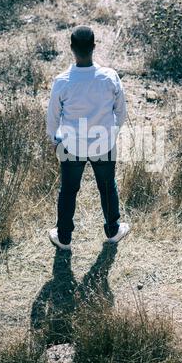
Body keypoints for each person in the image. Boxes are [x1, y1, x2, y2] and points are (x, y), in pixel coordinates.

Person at [46, 25, 130, 250]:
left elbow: (53, 119)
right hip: (103, 143)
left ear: (71, 48)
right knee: (107, 187)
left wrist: (55, 141)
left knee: (69, 190)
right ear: (94, 47)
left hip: (71, 146)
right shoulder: (109, 77)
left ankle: (64, 237)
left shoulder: (62, 81)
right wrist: (111, 133)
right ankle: (113, 230)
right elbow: (121, 113)